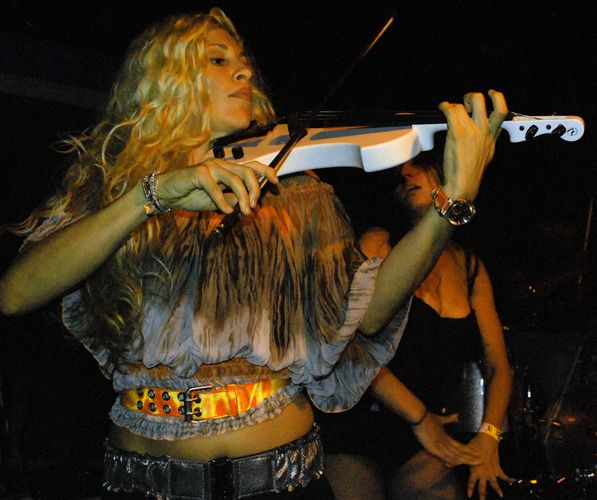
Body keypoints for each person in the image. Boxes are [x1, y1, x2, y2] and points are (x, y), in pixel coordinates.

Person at [0, 7, 508, 500]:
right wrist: (150, 197)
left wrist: (450, 204)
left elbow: (370, 315)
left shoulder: (293, 192)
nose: (244, 70)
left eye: (243, 61)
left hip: (280, 478)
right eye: (217, 59)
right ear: (163, 80)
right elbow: (15, 293)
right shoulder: (113, 192)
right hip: (144, 482)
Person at [320, 152, 513, 500]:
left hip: (427, 429)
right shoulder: (379, 243)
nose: (406, 173)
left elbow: (498, 365)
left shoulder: (470, 267)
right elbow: (348, 345)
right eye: (399, 174)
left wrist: (488, 437)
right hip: (363, 419)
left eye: (418, 164)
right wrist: (419, 417)